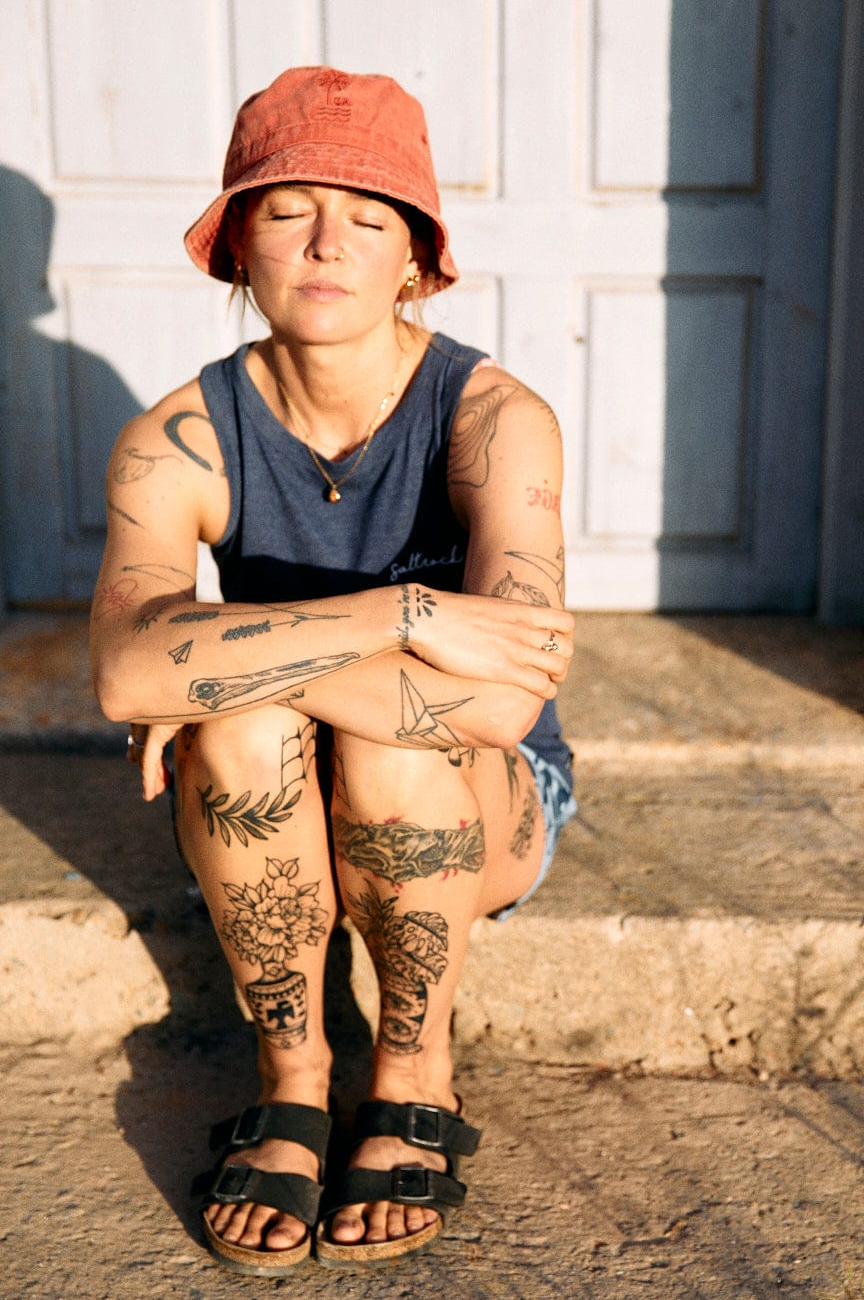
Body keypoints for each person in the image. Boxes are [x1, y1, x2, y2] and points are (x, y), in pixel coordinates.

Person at [89, 66, 576, 1277]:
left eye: (368, 218)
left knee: (363, 738)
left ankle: (415, 1071)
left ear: (415, 257)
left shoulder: (492, 417)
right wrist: (404, 612)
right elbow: (116, 678)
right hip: (277, 780)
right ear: (236, 245)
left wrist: (211, 671)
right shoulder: (177, 439)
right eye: (288, 208)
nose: (327, 244)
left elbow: (504, 700)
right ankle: (296, 1084)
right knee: (250, 742)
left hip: (483, 788)